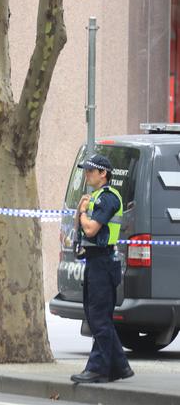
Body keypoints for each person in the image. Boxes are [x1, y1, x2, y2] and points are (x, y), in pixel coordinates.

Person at [71, 154, 134, 384]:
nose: (87, 174)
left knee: (98, 318)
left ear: (103, 174)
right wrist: (81, 211)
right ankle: (121, 367)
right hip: (95, 262)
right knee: (96, 315)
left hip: (104, 262)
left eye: (90, 171)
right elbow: (79, 228)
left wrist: (84, 212)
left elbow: (90, 230)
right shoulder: (95, 197)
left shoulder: (108, 198)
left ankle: (98, 368)